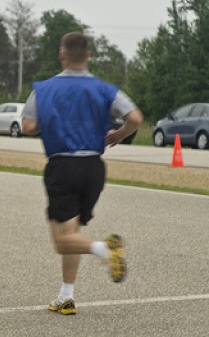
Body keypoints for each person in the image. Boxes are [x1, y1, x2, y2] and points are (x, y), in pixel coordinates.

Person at [21, 32, 143, 316]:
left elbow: (27, 126)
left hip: (63, 165)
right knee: (73, 232)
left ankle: (105, 249)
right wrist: (120, 134)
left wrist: (50, 122)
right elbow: (135, 118)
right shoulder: (104, 88)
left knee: (63, 240)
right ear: (88, 55)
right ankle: (66, 295)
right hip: (94, 168)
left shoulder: (45, 88)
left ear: (62, 55)